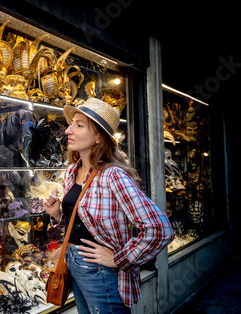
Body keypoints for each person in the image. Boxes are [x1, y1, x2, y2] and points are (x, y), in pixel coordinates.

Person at [43, 98, 174, 313]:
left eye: (79, 125)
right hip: (73, 266)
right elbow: (81, 224)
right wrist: (57, 214)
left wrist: (118, 258)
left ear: (98, 138)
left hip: (99, 271)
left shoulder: (113, 176)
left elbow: (159, 229)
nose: (68, 130)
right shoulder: (71, 172)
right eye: (71, 123)